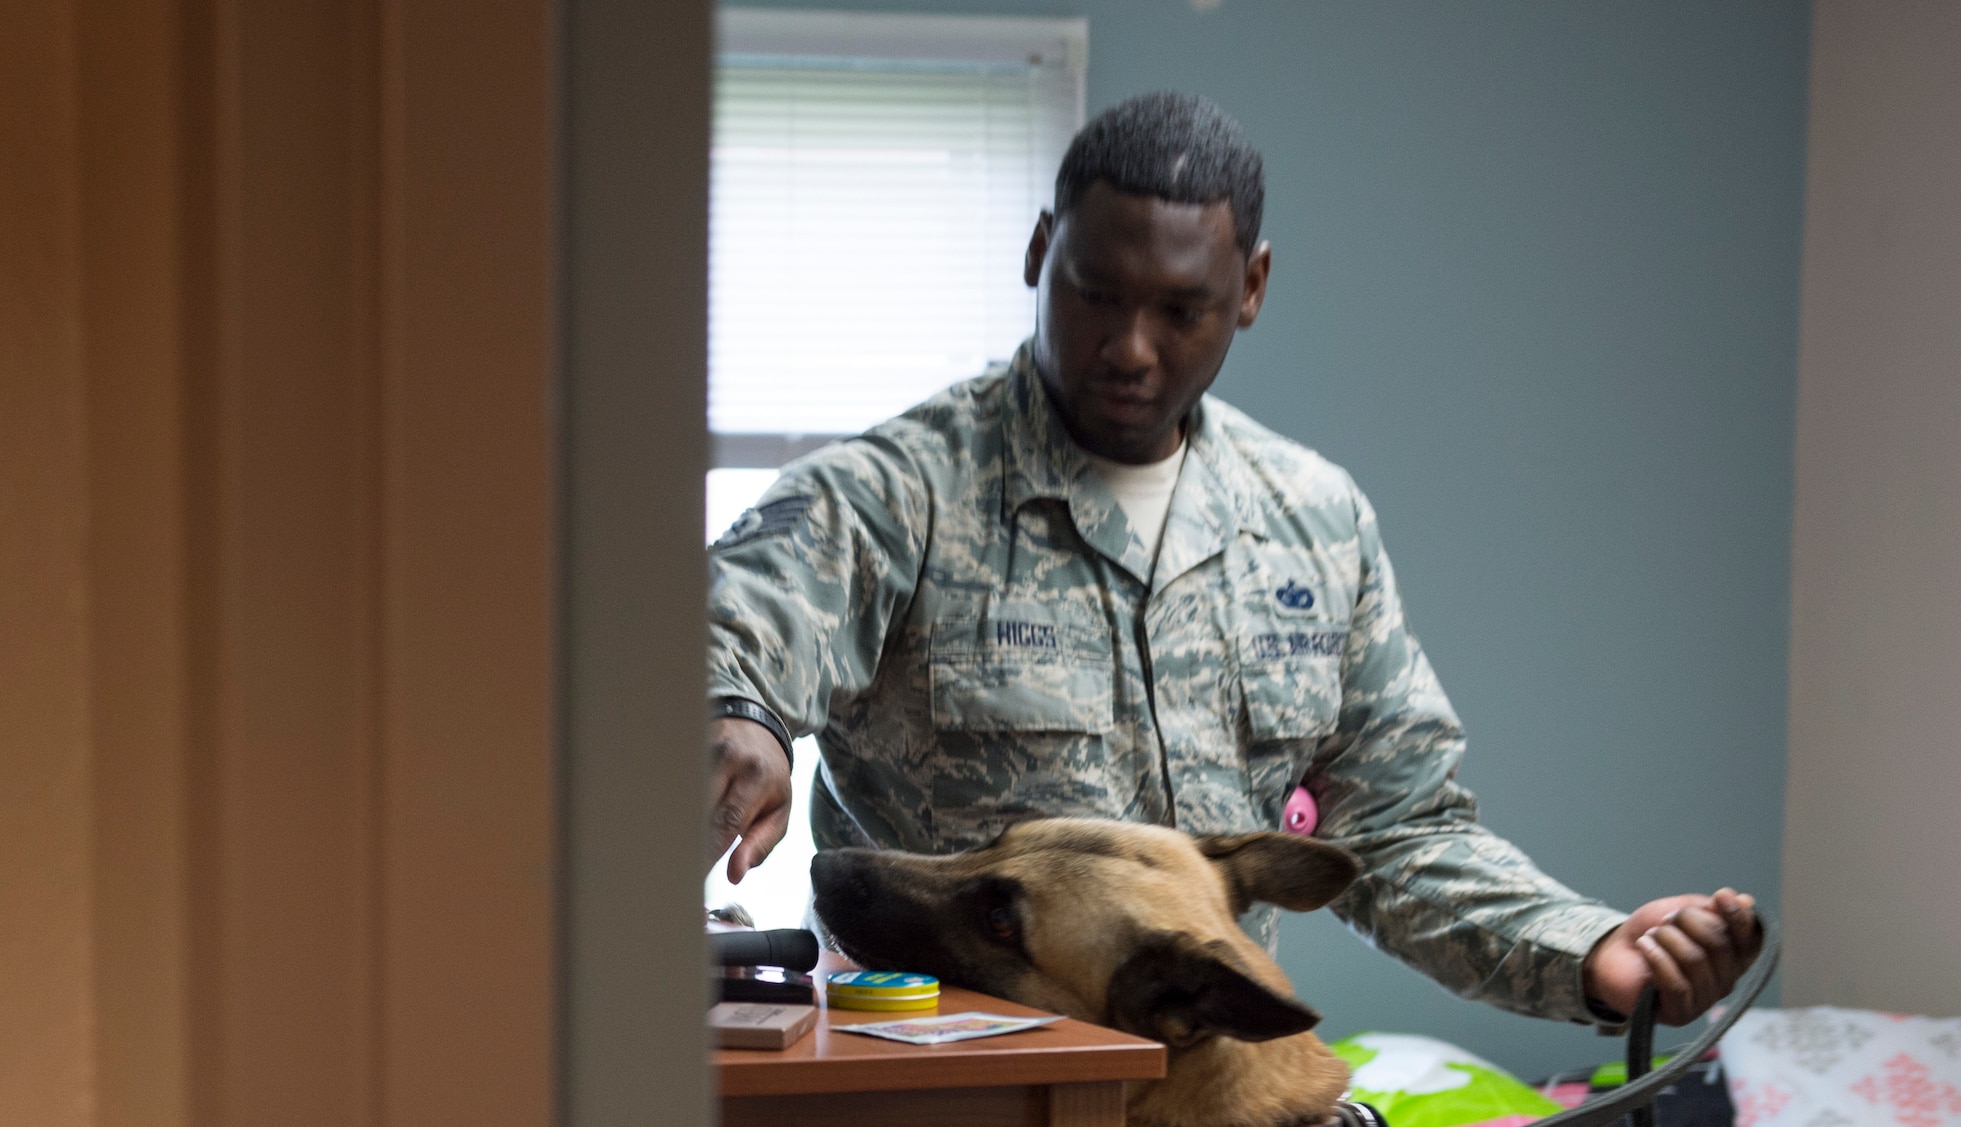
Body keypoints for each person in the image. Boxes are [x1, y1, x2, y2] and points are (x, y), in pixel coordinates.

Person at [706, 91, 1760, 1030]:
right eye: (1093, 291)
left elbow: (1394, 832)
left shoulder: (1311, 519)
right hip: (959, 1113)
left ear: (1248, 287)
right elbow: (732, 627)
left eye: (1180, 308)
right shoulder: (898, 491)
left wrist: (1583, 949)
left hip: (1207, 1120)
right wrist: (735, 713)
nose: (1128, 344)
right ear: (1038, 253)